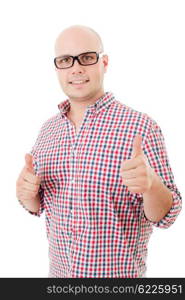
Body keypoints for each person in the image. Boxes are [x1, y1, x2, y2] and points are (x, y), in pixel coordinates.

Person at [16, 25, 182, 278]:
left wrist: (151, 186)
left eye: (86, 57)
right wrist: (25, 194)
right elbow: (37, 206)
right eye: (65, 60)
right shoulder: (47, 131)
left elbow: (166, 217)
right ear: (57, 68)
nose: (76, 68)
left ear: (103, 62)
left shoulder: (140, 127)